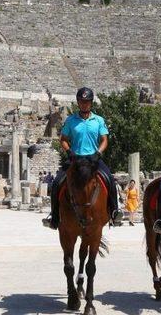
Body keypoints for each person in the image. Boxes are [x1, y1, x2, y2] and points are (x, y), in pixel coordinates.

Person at [43, 87, 122, 229]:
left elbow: (104, 140)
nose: (84, 104)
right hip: (75, 159)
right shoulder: (71, 120)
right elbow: (63, 139)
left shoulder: (99, 120)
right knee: (56, 183)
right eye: (81, 101)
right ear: (78, 102)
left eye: (87, 101)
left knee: (109, 179)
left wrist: (98, 153)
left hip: (93, 159)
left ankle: (115, 212)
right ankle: (54, 216)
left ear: (91, 103)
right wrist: (69, 152)